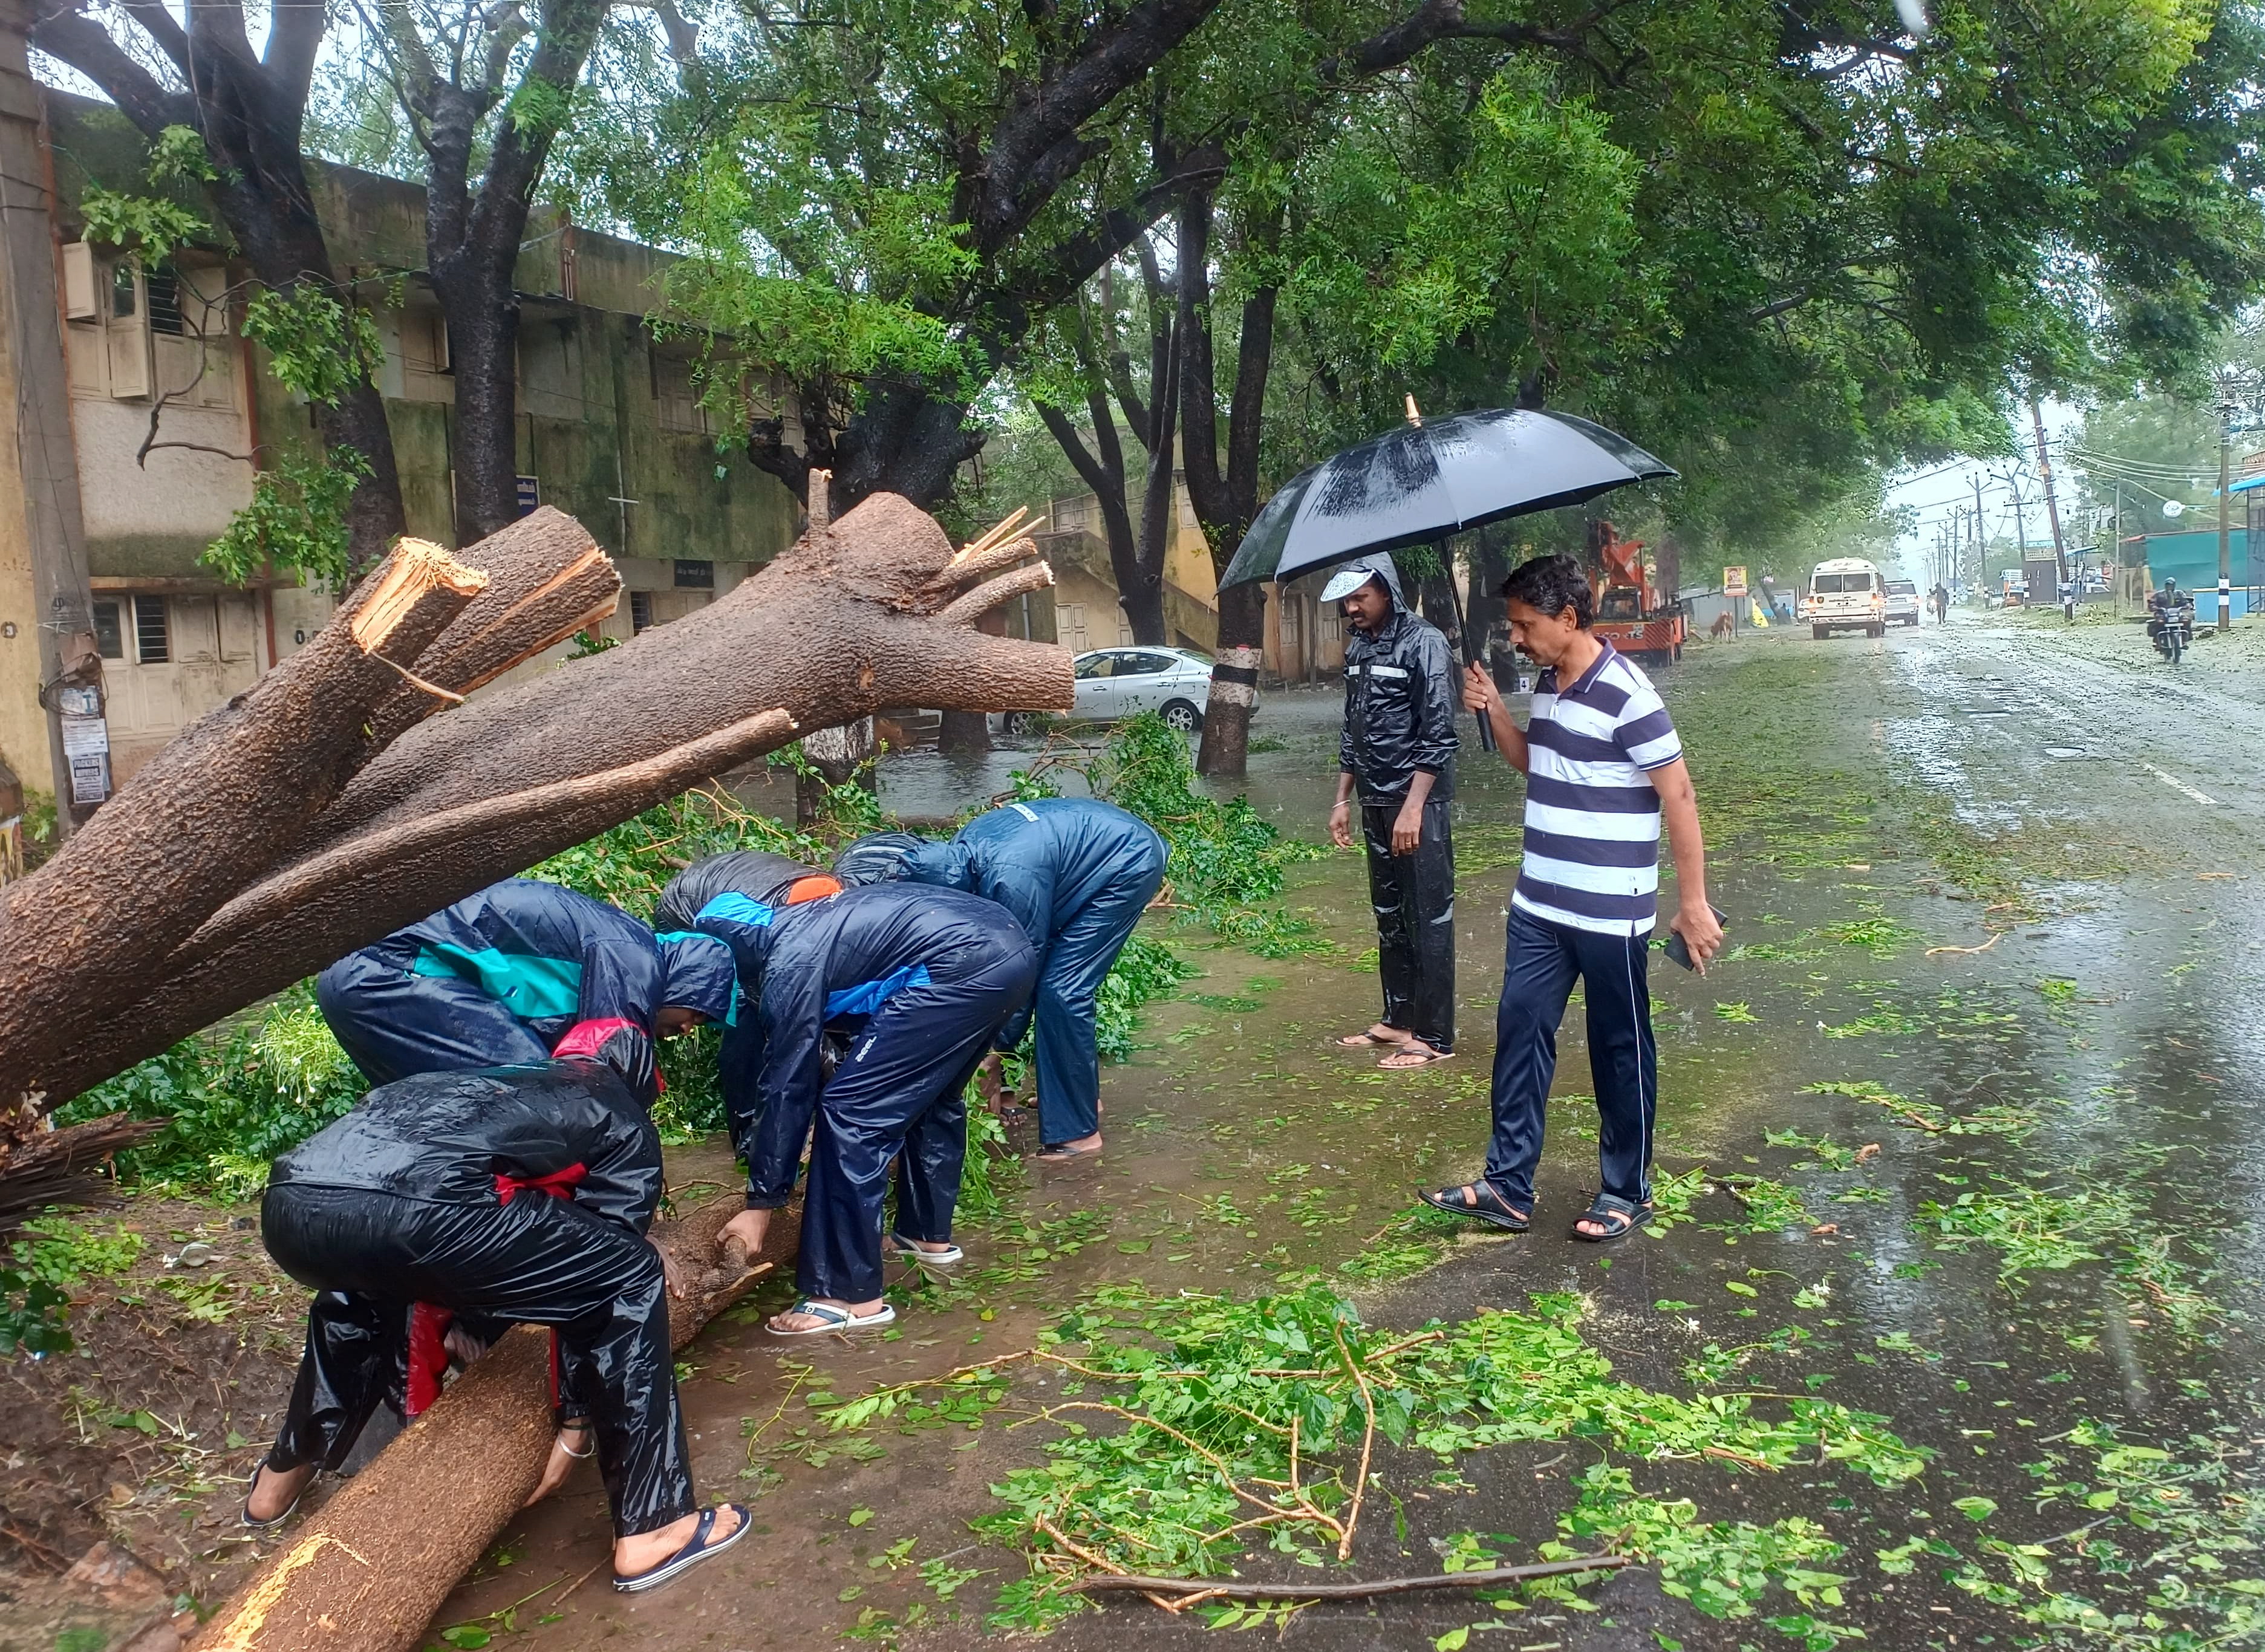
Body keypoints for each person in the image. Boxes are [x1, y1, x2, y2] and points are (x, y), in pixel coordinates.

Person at [244, 1059, 748, 1593]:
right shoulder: (621, 1114)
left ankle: (276, 1485)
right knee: (629, 1274)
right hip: (420, 1212)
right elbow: (592, 1283)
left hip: (291, 1207)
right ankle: (656, 1528)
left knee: (361, 1290)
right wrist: (575, 1424)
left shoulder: (473, 1080)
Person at [1432, 553, 1722, 1242]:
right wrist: (1497, 711)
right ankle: (1506, 1186)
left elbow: (1677, 796)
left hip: (1608, 908)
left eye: (1526, 625)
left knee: (1618, 1045)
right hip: (1538, 903)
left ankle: (1626, 1189)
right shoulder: (1546, 681)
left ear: (1569, 617)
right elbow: (1537, 760)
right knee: (1520, 1033)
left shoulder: (1629, 694)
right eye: (1511, 626)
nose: (1516, 638)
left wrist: (1694, 902)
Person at [704, 884, 1037, 1335]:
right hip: (1009, 949)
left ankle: (846, 1296)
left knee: (850, 1113)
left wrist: (762, 1202)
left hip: (956, 964)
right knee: (932, 1094)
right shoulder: (802, 925)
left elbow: (787, 1086)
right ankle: (925, 1236)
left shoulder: (788, 963)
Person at [830, 799, 1167, 1161]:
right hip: (1065, 861)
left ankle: (1078, 1134)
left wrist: (989, 1054)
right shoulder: (958, 856)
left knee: (1061, 990)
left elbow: (1020, 972)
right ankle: (1068, 1095)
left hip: (1127, 860)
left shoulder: (1008, 879)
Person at [316, 879, 737, 1105]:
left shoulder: (615, 949)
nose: (688, 1028)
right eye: (698, 1013)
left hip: (358, 979)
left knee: (443, 1116)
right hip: (391, 973)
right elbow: (611, 1066)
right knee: (542, 1099)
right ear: (690, 981)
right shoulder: (636, 954)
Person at [1322, 553, 1459, 1070]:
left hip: (1417, 804)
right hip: (1373, 800)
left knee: (1429, 916)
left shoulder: (1424, 641)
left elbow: (1439, 732)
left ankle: (1434, 1036)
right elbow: (1350, 729)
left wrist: (1413, 808)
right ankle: (1398, 1016)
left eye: (1360, 597)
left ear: (1387, 592)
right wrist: (1342, 798)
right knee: (1390, 915)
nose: (1351, 607)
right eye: (1347, 599)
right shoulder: (1358, 646)